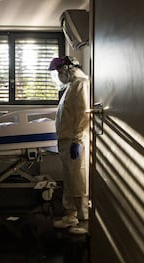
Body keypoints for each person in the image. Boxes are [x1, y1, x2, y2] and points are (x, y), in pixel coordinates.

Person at [48, 56, 90, 235]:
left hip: (75, 142)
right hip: (66, 142)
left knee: (79, 181)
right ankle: (71, 215)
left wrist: (77, 140)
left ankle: (85, 220)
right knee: (70, 181)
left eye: (58, 72)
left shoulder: (81, 85)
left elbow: (83, 114)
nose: (58, 76)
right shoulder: (71, 87)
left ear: (67, 69)